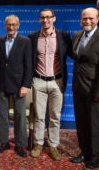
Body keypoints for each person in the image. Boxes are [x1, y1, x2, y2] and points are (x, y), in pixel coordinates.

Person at [70, 7, 99, 169]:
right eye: (84, 18)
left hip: (95, 91)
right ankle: (84, 152)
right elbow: (77, 58)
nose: (87, 21)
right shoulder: (77, 36)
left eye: (90, 18)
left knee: (94, 126)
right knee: (81, 124)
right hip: (78, 89)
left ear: (97, 19)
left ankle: (95, 157)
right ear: (80, 19)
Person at [28, 8, 72, 161]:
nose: (45, 20)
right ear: (39, 20)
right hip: (38, 81)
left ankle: (53, 145)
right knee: (39, 116)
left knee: (55, 116)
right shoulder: (33, 37)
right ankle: (38, 144)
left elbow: (74, 54)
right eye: (42, 17)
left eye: (48, 17)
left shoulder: (64, 36)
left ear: (54, 18)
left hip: (57, 81)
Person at [0, 14, 32, 157]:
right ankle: (4, 142)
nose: (11, 27)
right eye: (8, 25)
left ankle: (20, 144)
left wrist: (25, 85)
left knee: (20, 116)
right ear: (5, 26)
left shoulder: (25, 41)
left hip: (19, 85)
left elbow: (29, 66)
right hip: (2, 84)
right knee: (2, 116)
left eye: (13, 24)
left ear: (18, 25)